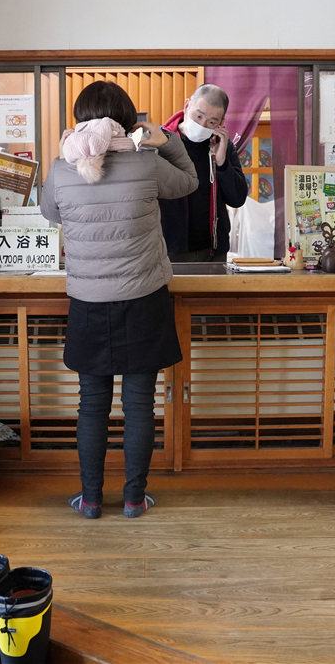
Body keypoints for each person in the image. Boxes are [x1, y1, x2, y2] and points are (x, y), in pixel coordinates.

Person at [39, 81, 198, 519]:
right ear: (129, 122)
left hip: (88, 303)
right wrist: (167, 140)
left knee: (91, 404)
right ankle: (133, 499)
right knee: (139, 405)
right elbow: (189, 181)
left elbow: (51, 212)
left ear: (79, 121)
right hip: (143, 298)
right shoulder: (148, 164)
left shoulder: (60, 169)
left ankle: (90, 500)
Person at [160, 84, 249, 261]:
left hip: (213, 250)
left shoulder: (222, 144)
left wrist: (222, 163)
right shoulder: (162, 141)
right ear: (187, 106)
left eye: (211, 121)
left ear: (221, 123)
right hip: (168, 248)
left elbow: (237, 198)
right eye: (198, 115)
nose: (202, 124)